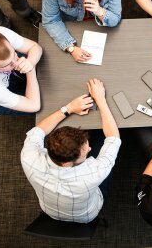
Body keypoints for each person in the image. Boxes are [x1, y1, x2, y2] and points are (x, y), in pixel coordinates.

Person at [21, 78, 121, 223]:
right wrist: (100, 99)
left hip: (49, 211)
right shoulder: (93, 173)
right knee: (101, 138)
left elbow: (39, 130)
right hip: (87, 215)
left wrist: (68, 108)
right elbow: (113, 137)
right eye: (86, 151)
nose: (90, 148)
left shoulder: (29, 158)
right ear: (69, 162)